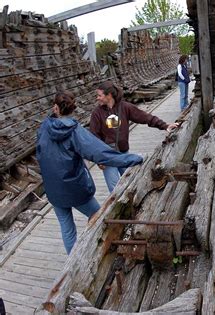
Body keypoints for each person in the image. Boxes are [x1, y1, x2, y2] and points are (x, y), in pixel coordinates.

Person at [37, 91, 143, 254]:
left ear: (55, 108)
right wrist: (132, 159)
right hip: (75, 187)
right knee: (97, 216)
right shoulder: (75, 132)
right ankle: (98, 251)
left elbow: (41, 153)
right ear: (73, 109)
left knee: (67, 228)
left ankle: (72, 263)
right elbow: (101, 154)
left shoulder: (44, 127)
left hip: (53, 189)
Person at [90, 81, 178, 193]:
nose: (97, 98)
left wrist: (165, 126)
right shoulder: (97, 113)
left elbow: (145, 117)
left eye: (99, 95)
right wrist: (98, 159)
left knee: (130, 182)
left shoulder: (125, 107)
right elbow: (94, 137)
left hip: (123, 153)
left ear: (109, 95)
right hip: (107, 156)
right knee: (115, 189)